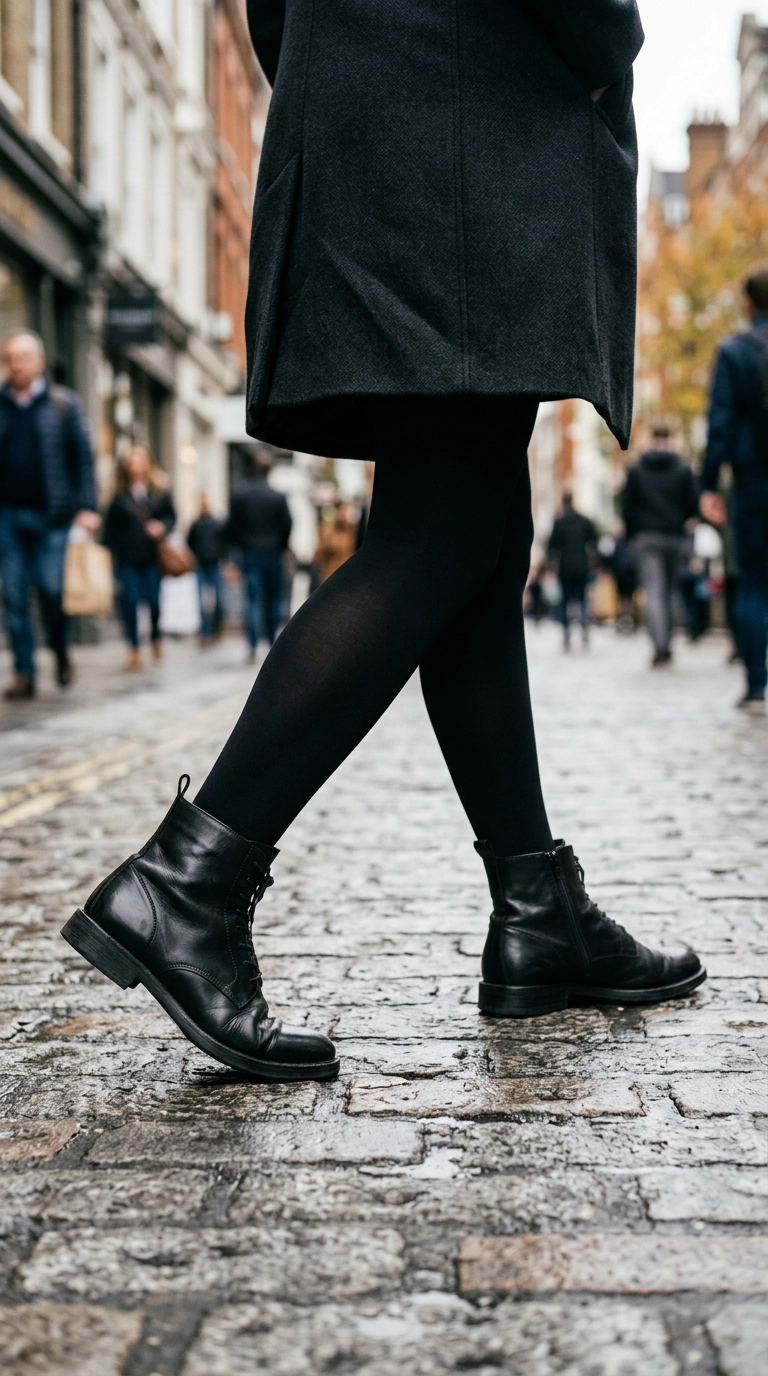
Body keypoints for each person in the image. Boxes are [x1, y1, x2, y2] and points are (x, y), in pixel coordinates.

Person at [63, 0, 705, 1086]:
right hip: (474, 113)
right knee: (440, 535)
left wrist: (342, 66)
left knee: (481, 539)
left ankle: (534, 905)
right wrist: (601, 47)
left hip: (376, 104)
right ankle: (191, 880)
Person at [0, 330, 99, 699]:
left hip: (53, 518)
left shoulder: (64, 404)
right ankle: (24, 672)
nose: (16, 364)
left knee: (52, 590)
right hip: (8, 517)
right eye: (10, 357)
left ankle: (60, 650)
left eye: (23, 357)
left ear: (40, 362)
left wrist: (88, 507)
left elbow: (82, 459)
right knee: (13, 596)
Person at [700, 266, 768, 712]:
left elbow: (719, 422)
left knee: (753, 580)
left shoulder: (735, 350)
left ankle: (756, 684)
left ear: (747, 302)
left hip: (753, 476)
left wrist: (708, 484)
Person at [622, 424, 699, 666]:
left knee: (653, 592)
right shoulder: (683, 468)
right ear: (670, 438)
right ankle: (668, 642)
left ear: (652, 438)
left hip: (646, 537)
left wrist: (633, 531)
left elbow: (627, 506)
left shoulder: (636, 469)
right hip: (674, 537)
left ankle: (659, 646)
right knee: (671, 591)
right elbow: (693, 502)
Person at [103, 445, 175, 671]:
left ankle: (155, 637)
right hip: (127, 558)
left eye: (139, 460)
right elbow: (109, 531)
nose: (135, 465)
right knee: (130, 602)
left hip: (152, 557)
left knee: (154, 602)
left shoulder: (159, 491)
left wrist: (162, 527)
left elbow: (172, 517)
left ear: (147, 464)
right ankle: (134, 647)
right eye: (131, 461)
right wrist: (110, 555)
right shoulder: (119, 496)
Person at [227, 449, 292, 662]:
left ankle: (253, 645)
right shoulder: (278, 496)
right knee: (273, 600)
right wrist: (281, 547)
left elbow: (232, 527)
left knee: (253, 600)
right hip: (273, 555)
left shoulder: (240, 494)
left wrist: (239, 549)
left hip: (250, 554)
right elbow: (287, 525)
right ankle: (272, 642)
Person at [547, 492, 597, 649]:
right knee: (582, 598)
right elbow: (593, 542)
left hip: (565, 567)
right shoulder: (584, 520)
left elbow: (552, 547)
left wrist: (550, 565)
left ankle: (567, 634)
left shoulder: (559, 522)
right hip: (582, 566)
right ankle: (584, 626)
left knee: (565, 601)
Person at [188, 493, 226, 644]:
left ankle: (217, 627)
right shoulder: (195, 525)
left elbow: (223, 543)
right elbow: (190, 543)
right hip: (201, 565)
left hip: (215, 564)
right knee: (202, 600)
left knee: (219, 599)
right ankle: (205, 632)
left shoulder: (217, 523)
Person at [314, 501, 359, 584]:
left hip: (347, 575)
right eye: (342, 510)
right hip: (330, 574)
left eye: (346, 511)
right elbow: (321, 552)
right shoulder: (327, 529)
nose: (344, 514)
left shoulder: (352, 529)